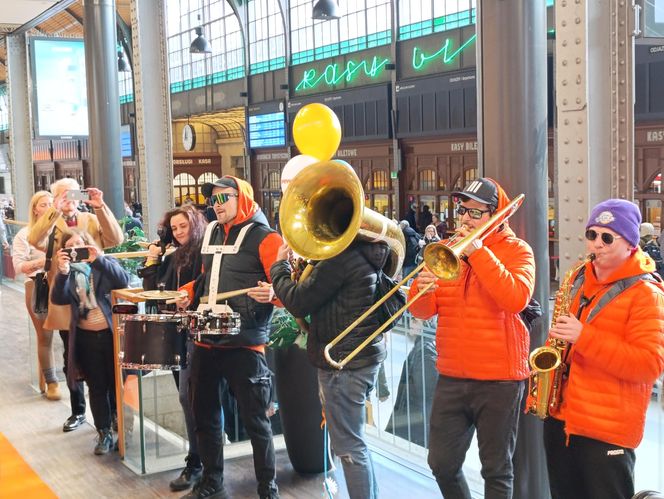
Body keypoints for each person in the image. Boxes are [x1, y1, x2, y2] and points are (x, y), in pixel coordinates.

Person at [408, 177, 535, 499]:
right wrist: (420, 285)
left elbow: (515, 298)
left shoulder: (517, 250)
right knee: (441, 463)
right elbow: (422, 311)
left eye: (475, 213)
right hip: (452, 375)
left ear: (497, 215)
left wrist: (479, 253)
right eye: (462, 210)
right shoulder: (447, 251)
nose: (464, 219)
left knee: (496, 469)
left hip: (500, 380)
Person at [543, 199, 664, 499]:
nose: (597, 243)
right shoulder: (578, 279)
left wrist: (584, 338)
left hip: (606, 432)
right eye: (592, 234)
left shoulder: (646, 295)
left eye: (607, 237)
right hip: (562, 421)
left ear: (630, 244)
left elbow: (650, 364)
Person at [182, 176, 281, 499]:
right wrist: (187, 293)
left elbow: (287, 288)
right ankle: (212, 482)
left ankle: (268, 488)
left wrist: (273, 293)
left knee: (257, 423)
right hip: (205, 341)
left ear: (244, 199)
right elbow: (205, 281)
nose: (217, 205)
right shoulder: (210, 232)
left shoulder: (267, 239)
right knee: (205, 417)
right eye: (212, 200)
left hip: (245, 345)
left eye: (224, 198)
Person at [270, 238, 393, 499]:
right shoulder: (366, 253)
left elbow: (297, 302)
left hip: (342, 363)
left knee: (348, 447)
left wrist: (280, 267)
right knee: (356, 442)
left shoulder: (338, 260)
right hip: (361, 359)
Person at [28, 178, 124, 432]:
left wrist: (101, 207)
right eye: (63, 195)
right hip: (65, 296)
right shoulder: (51, 222)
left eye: (73, 194)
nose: (69, 199)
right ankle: (78, 410)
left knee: (103, 360)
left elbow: (116, 239)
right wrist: (54, 210)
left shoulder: (90, 219)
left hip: (96, 299)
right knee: (72, 356)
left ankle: (114, 416)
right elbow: (34, 239)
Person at [140, 205, 207, 492]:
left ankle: (198, 462)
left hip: (198, 335)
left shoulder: (204, 252)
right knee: (187, 399)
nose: (179, 232)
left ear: (195, 224)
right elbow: (152, 288)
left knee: (189, 399)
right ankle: (199, 461)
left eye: (183, 226)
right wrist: (153, 256)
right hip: (176, 333)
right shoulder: (175, 255)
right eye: (174, 228)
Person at [51, 229, 130, 455]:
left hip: (111, 335)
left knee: (117, 384)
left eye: (81, 243)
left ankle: (122, 430)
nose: (76, 248)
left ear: (89, 244)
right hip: (85, 338)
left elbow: (122, 281)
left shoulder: (103, 263)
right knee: (96, 387)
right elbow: (58, 298)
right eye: (71, 246)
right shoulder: (68, 272)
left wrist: (100, 259)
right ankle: (103, 433)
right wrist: (63, 272)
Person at [12, 191, 61, 400]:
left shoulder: (62, 231)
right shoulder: (25, 234)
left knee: (72, 335)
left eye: (51, 203)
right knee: (45, 336)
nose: (48, 207)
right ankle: (51, 382)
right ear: (35, 209)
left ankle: (75, 377)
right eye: (43, 204)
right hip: (38, 285)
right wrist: (44, 262)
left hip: (63, 283)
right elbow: (18, 266)